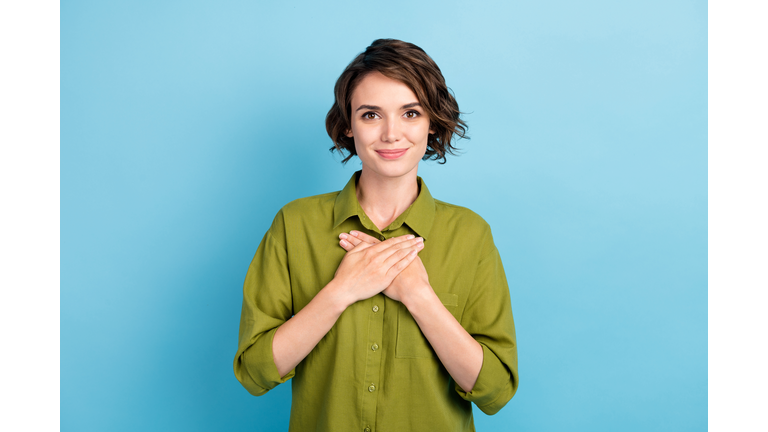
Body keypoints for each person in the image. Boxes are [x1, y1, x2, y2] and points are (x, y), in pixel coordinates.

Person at [234, 38, 518, 431]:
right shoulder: (294, 224)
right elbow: (254, 372)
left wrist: (419, 296)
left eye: (410, 113)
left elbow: (496, 391)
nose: (391, 134)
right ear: (348, 124)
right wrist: (340, 292)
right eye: (371, 115)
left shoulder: (470, 235)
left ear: (431, 121)